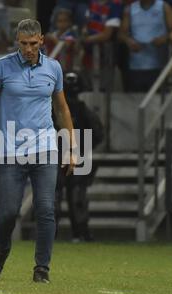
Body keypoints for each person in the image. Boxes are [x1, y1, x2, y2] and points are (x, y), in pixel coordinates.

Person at [0, 19, 76, 283]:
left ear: (41, 40)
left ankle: (42, 269)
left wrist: (72, 148)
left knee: (46, 209)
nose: (28, 49)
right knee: (7, 211)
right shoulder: (2, 66)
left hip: (45, 148)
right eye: (23, 44)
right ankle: (1, 251)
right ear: (17, 41)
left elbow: (62, 109)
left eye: (32, 43)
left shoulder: (54, 68)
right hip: (9, 151)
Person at [54, 71, 104, 242]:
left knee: (56, 196)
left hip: (58, 157)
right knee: (76, 197)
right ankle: (80, 233)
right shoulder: (81, 109)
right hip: (75, 156)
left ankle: (50, 234)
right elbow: (98, 133)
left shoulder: (54, 110)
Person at [118, 0, 172, 92]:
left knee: (157, 99)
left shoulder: (164, 7)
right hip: (135, 65)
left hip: (158, 64)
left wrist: (164, 39)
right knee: (135, 98)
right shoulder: (130, 9)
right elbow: (121, 34)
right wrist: (129, 41)